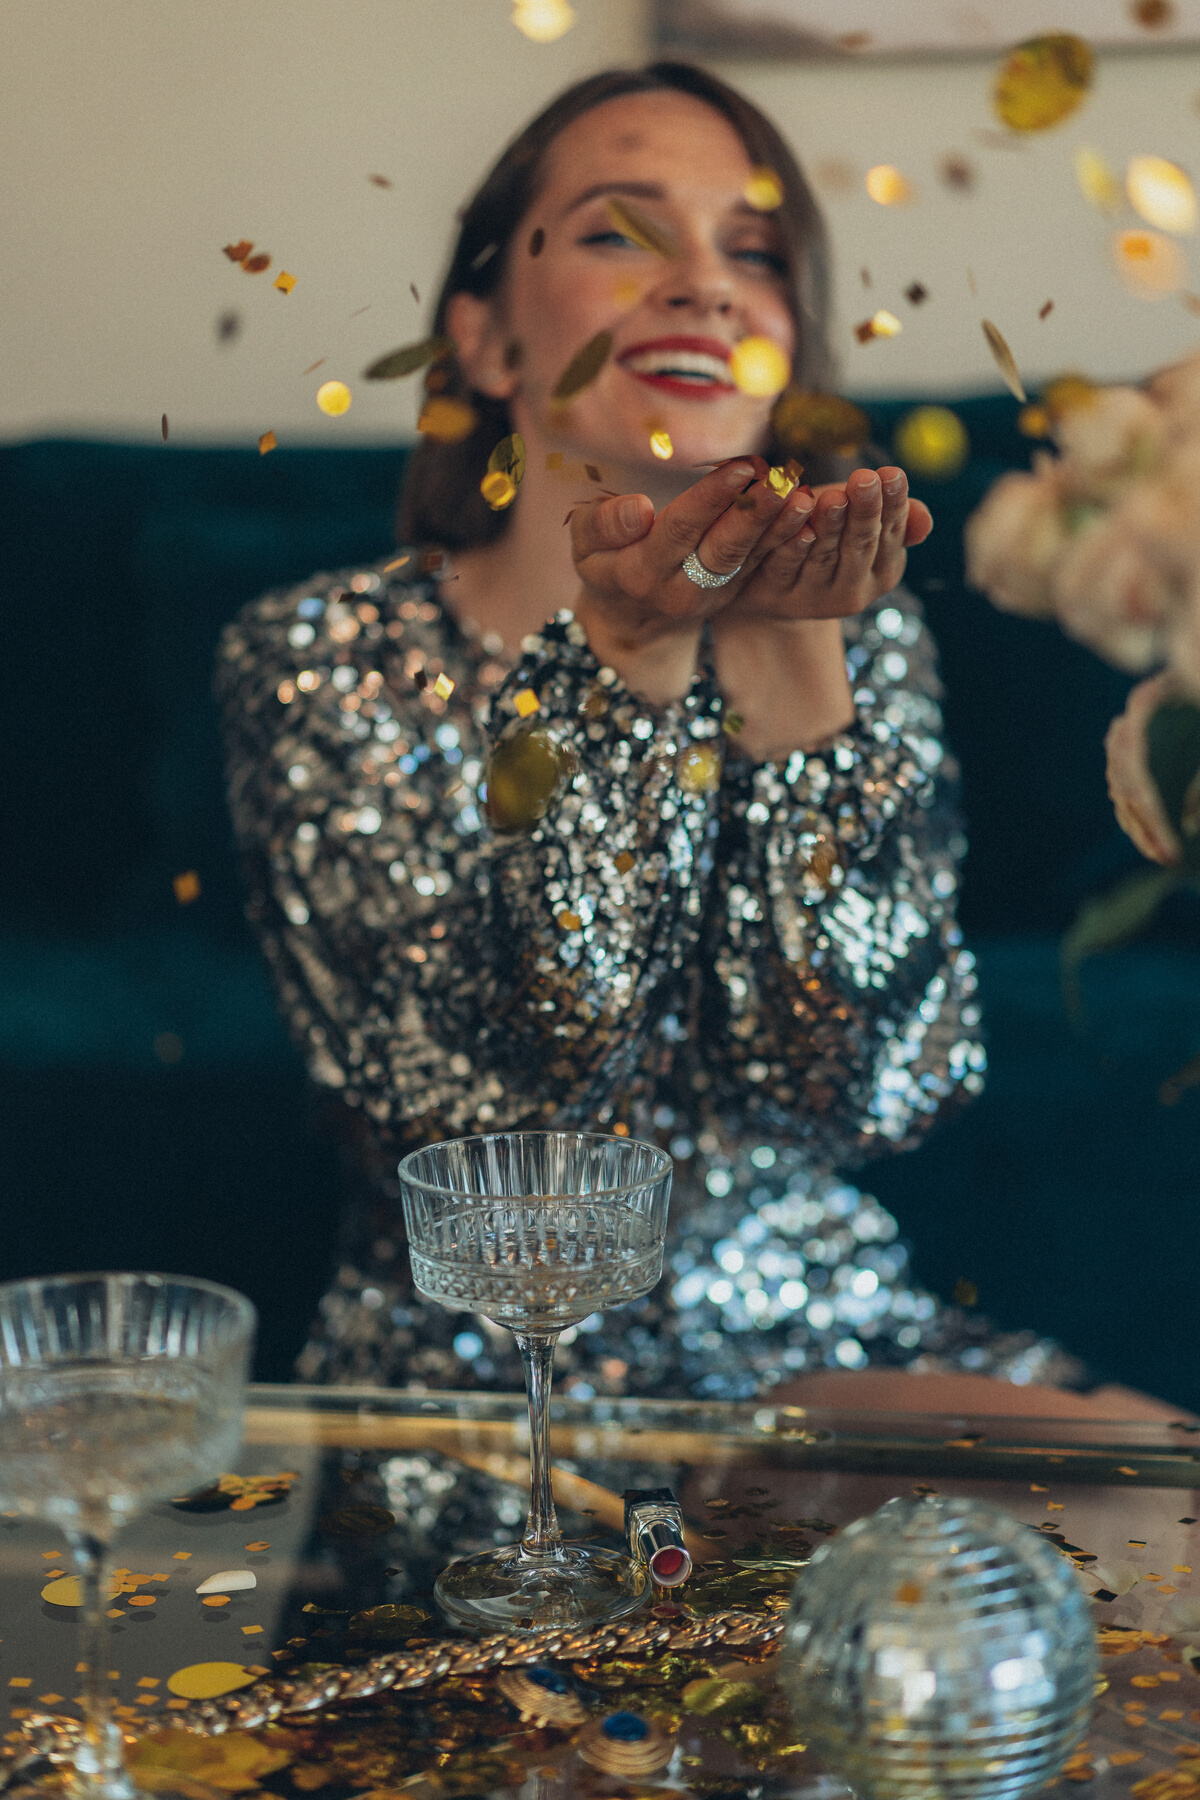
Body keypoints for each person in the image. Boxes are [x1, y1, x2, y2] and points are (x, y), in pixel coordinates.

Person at [218, 62, 1118, 1415]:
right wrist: (624, 670)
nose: (705, 283)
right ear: (486, 337)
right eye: (619, 232)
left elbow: (868, 1100)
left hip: (825, 1355)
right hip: (491, 1399)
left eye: (753, 253)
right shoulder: (318, 654)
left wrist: (791, 668)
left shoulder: (863, 638)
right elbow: (488, 1141)